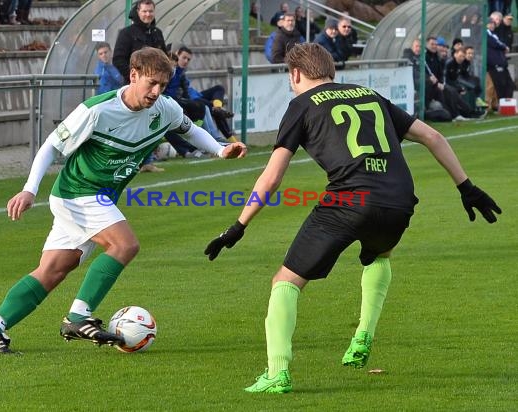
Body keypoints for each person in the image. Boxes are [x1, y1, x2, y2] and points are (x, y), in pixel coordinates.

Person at [205, 43, 501, 393]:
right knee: (379, 255)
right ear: (331, 70)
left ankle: (276, 373)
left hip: (350, 200)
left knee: (285, 281)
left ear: (296, 74)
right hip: (399, 200)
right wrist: (466, 186)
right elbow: (432, 136)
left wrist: (240, 224)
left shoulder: (300, 105)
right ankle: (363, 336)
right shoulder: (371, 95)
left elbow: (271, 177)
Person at [0, 47, 248, 354]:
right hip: (78, 192)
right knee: (125, 245)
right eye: (151, 83)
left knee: (53, 270)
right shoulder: (97, 110)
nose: (156, 92)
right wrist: (29, 189)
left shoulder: (165, 109)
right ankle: (78, 316)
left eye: (162, 86)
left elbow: (190, 129)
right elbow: (51, 146)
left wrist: (221, 149)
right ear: (133, 75)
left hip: (98, 197)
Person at [113, 0, 167, 172]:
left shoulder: (157, 33)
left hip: (154, 90)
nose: (148, 14)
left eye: (150, 11)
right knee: (128, 126)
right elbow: (118, 59)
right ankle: (125, 161)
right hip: (133, 90)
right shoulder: (127, 33)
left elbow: (164, 61)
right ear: (137, 12)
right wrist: (134, 80)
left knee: (153, 124)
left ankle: (146, 162)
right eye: (144, 11)